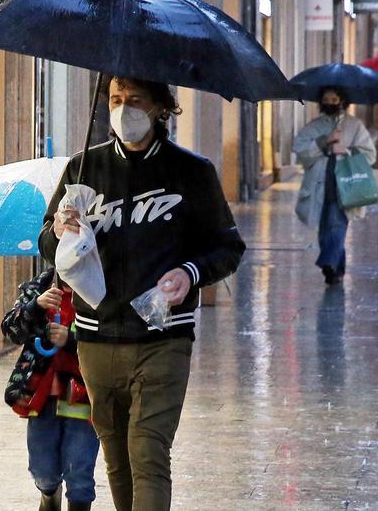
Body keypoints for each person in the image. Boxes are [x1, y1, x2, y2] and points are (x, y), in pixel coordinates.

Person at [39, 76, 246, 510]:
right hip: (97, 338)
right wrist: (59, 232)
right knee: (116, 457)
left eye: (135, 100)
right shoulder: (83, 168)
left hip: (164, 337)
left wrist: (190, 274)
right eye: (116, 99)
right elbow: (45, 243)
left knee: (149, 451)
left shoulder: (192, 172)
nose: (123, 109)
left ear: (160, 107)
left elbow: (228, 247)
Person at [1, 268, 98, 511]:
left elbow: (110, 341)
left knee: (79, 473)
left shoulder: (99, 288)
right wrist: (35, 306)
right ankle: (49, 495)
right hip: (42, 395)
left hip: (85, 396)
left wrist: (71, 340)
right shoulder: (39, 286)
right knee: (42, 469)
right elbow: (10, 329)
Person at [293, 87, 377, 285]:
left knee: (336, 223)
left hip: (345, 186)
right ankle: (336, 270)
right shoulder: (314, 126)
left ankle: (327, 261)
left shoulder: (354, 125)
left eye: (334, 98)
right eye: (326, 99)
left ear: (342, 100)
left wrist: (346, 150)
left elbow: (370, 154)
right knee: (325, 229)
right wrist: (324, 142)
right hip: (320, 185)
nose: (330, 102)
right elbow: (299, 149)